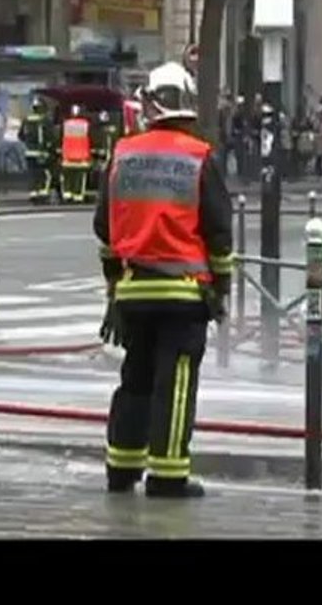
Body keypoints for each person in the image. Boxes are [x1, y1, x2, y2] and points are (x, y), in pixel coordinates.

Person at [94, 61, 233, 499]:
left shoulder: (122, 154)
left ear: (150, 105)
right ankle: (168, 475)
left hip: (133, 291)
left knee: (135, 378)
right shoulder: (199, 156)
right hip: (184, 292)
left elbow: (104, 229)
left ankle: (121, 468)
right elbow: (219, 233)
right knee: (175, 384)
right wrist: (221, 289)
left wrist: (114, 287)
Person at [19, 96, 54, 204]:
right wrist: (50, 147)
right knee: (44, 174)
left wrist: (28, 144)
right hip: (42, 152)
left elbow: (20, 135)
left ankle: (33, 193)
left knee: (32, 173)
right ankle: (43, 194)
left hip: (29, 152)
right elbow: (50, 136)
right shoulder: (45, 120)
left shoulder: (27, 119)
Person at [60, 104, 92, 204]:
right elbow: (92, 139)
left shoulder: (66, 124)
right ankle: (78, 196)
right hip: (81, 157)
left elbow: (59, 138)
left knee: (68, 178)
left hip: (68, 157)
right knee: (80, 178)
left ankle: (67, 195)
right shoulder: (85, 124)